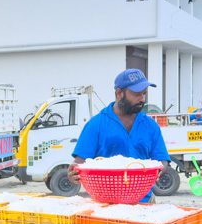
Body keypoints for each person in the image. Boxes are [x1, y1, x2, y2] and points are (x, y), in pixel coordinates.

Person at [69, 68, 170, 201]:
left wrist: (161, 168)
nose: (142, 99)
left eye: (144, 94)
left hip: (143, 202)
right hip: (105, 205)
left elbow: (161, 159)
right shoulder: (96, 124)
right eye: (137, 94)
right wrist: (73, 173)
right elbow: (79, 162)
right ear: (119, 93)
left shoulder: (151, 126)